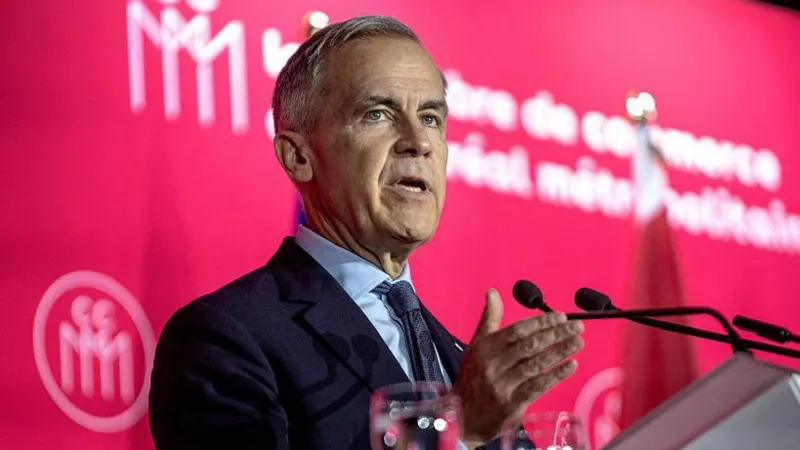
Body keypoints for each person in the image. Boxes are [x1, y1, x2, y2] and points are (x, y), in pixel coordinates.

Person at [148, 15, 584, 450]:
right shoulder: (227, 339)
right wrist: (461, 431)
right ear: (298, 156)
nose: (419, 141)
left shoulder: (456, 358)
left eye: (431, 117)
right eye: (377, 114)